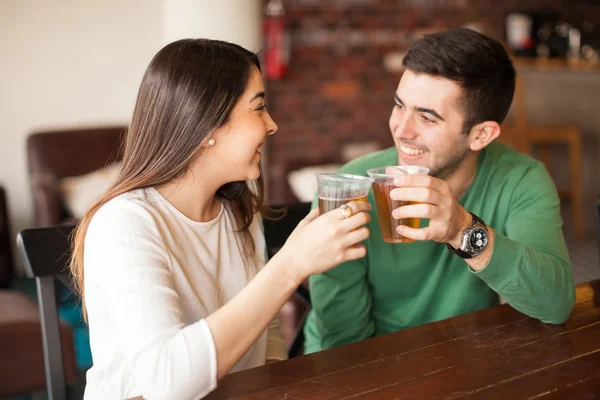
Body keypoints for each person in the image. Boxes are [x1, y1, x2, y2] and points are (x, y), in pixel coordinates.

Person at [69, 38, 371, 399]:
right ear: (208, 125)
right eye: (258, 108)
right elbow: (168, 384)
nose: (272, 125)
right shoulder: (125, 224)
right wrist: (290, 265)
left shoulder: (236, 211)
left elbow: (266, 334)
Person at [304, 28, 575, 354]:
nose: (402, 130)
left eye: (427, 118)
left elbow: (554, 305)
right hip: (363, 370)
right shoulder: (350, 187)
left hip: (459, 363)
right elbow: (343, 346)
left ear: (481, 135)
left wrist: (464, 230)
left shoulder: (521, 178)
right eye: (399, 105)